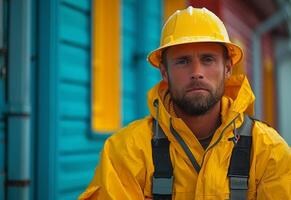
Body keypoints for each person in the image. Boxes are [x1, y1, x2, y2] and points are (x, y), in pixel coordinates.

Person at [79, 6, 291, 200]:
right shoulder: (127, 151)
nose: (197, 73)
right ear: (164, 72)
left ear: (227, 68)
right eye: (183, 61)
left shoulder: (268, 151)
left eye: (208, 59)